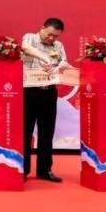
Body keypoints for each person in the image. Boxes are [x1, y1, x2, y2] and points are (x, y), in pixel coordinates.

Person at [21, 18, 70, 183]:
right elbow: (25, 48)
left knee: (47, 132)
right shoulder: (30, 37)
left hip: (49, 92)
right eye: (49, 34)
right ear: (42, 28)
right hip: (29, 91)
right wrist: (45, 58)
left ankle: (44, 170)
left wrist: (60, 65)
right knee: (25, 132)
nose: (51, 38)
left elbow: (63, 61)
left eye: (55, 36)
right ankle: (23, 170)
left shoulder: (58, 46)